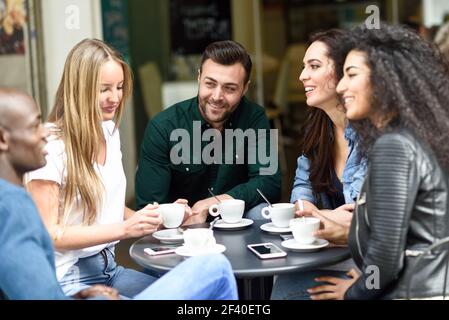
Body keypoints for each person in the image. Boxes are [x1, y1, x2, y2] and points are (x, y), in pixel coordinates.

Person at [0, 87, 238, 300]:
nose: (45, 133)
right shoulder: (11, 207)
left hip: (104, 274)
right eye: (34, 126)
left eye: (120, 87)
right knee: (214, 267)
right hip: (74, 278)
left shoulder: (12, 200)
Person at [24, 39, 192, 297]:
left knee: (192, 292)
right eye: (104, 89)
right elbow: (51, 234)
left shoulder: (108, 132)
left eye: (120, 87)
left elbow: (107, 206)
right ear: (79, 88)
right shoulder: (52, 145)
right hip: (69, 279)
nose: (115, 98)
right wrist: (125, 229)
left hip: (110, 268)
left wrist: (153, 217)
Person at [304, 23, 449, 300]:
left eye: (351, 74)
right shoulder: (420, 136)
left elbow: (385, 258)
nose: (342, 85)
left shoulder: (393, 145)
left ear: (385, 79)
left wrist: (353, 294)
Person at [135, 40, 282, 225]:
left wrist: (213, 202)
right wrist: (177, 216)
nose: (217, 96)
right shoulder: (163, 126)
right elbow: (149, 206)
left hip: (236, 222)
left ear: (245, 88)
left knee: (262, 212)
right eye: (210, 84)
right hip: (182, 230)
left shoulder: (254, 118)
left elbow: (269, 183)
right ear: (199, 78)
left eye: (229, 88)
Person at [271, 29, 366, 300]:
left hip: (366, 259)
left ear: (343, 73)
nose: (302, 76)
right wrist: (306, 210)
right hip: (335, 247)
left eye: (313, 66)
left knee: (288, 285)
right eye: (304, 67)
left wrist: (319, 218)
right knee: (285, 275)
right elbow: (301, 189)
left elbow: (365, 216)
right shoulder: (319, 127)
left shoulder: (373, 132)